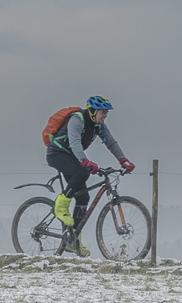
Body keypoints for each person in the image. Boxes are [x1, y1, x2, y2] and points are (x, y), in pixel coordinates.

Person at [43, 95, 134, 253]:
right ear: (92, 111)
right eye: (103, 112)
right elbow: (74, 142)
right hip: (57, 153)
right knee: (82, 172)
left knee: (83, 197)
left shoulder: (99, 126)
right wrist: (85, 162)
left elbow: (111, 142)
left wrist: (123, 160)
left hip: (71, 156)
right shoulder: (78, 119)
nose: (105, 115)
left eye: (106, 113)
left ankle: (73, 240)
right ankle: (61, 205)